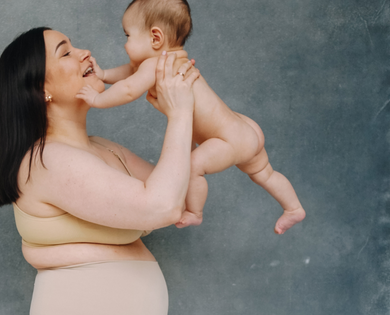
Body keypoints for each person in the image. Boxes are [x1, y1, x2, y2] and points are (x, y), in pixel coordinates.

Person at [0, 26, 199, 315]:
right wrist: (179, 115)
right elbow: (161, 206)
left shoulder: (104, 150)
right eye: (65, 52)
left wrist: (192, 109)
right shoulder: (46, 160)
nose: (85, 52)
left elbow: (180, 196)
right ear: (42, 90)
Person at [76, 0, 306, 234]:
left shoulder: (155, 65)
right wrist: (103, 74)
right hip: (244, 127)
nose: (125, 44)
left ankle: (194, 213)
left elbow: (128, 88)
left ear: (155, 38)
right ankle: (293, 207)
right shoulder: (174, 61)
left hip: (228, 142)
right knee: (265, 174)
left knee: (193, 165)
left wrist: (97, 99)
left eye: (128, 36)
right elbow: (131, 73)